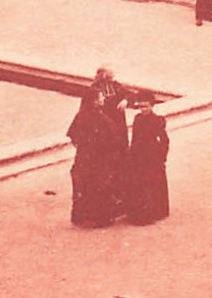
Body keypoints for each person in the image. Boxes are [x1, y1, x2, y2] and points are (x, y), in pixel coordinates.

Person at [66, 75, 129, 228]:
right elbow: (114, 139)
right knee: (100, 186)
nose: (103, 100)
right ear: (95, 101)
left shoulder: (81, 116)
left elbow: (73, 135)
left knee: (84, 186)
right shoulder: (102, 119)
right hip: (100, 160)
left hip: (84, 158)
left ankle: (82, 216)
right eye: (101, 98)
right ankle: (100, 217)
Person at [123, 94, 170, 225]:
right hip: (138, 154)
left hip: (152, 155)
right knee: (139, 183)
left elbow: (164, 140)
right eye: (141, 106)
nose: (143, 109)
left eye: (146, 106)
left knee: (152, 182)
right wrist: (131, 153)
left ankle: (156, 211)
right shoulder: (137, 118)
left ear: (152, 106)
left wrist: (162, 156)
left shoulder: (158, 120)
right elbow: (135, 138)